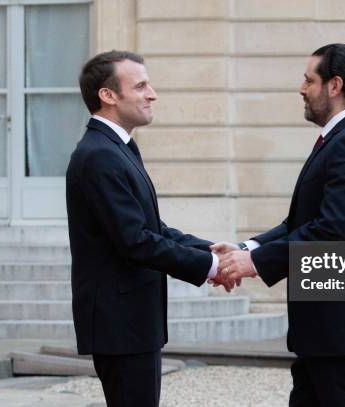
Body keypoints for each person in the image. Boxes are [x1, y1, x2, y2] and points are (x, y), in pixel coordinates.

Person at [213, 43, 345, 407]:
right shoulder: (343, 139)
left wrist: (255, 265)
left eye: (308, 80)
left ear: (335, 86)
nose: (301, 89)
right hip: (329, 331)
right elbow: (301, 222)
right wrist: (247, 250)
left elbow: (332, 232)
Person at [66, 50, 231, 407]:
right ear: (108, 96)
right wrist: (213, 268)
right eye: (140, 86)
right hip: (120, 325)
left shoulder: (118, 147)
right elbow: (134, 241)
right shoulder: (99, 154)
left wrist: (209, 250)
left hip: (133, 323)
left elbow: (151, 227)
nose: (152, 94)